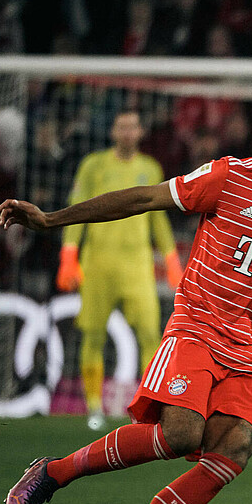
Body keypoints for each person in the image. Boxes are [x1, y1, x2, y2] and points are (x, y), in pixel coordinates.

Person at [0, 83, 252, 504]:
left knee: (236, 447)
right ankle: (54, 473)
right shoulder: (230, 178)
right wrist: (51, 220)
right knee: (182, 433)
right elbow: (144, 199)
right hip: (198, 327)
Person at [58, 110, 183, 431]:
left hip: (138, 266)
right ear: (113, 130)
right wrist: (68, 255)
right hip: (98, 263)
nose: (127, 132)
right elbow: (77, 211)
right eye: (121, 126)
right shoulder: (93, 166)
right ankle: (93, 407)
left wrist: (171, 261)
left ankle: (151, 405)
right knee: (94, 335)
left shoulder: (150, 168)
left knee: (150, 336)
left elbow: (159, 219)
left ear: (140, 132)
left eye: (132, 127)